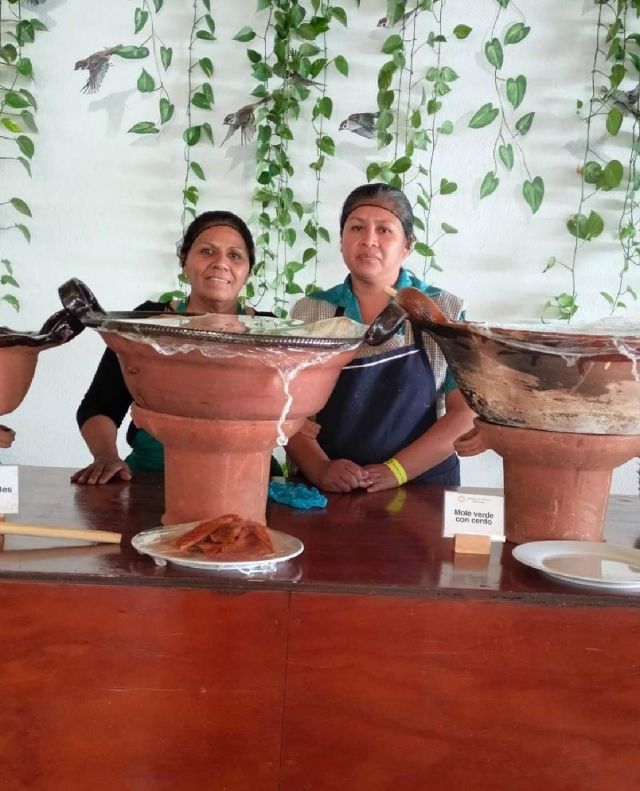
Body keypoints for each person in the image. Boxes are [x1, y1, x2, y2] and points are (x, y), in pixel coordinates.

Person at [286, 183, 476, 494]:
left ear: (407, 245)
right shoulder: (310, 311)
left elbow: (464, 411)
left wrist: (396, 471)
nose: (368, 240)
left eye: (384, 230)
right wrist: (320, 469)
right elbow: (286, 410)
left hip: (421, 487)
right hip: (327, 490)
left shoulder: (444, 310)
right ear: (342, 240)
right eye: (356, 227)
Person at [73, 210, 279, 485]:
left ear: (247, 272)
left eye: (234, 255)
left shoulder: (272, 331)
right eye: (207, 251)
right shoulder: (148, 322)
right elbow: (98, 406)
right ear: (184, 263)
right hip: (153, 481)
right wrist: (105, 457)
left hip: (252, 481)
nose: (220, 263)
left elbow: (297, 412)